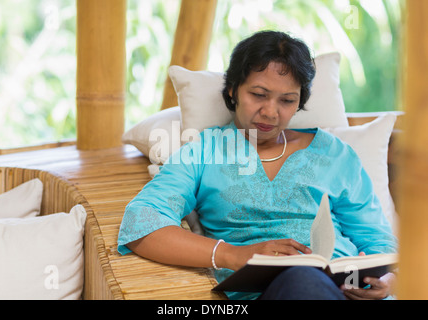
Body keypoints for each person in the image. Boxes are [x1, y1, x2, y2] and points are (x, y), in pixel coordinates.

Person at [117, 30, 398, 300]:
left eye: (287, 100)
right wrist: (233, 255)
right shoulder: (205, 152)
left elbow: (379, 242)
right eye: (259, 94)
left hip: (347, 290)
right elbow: (141, 223)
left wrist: (385, 281)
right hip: (267, 292)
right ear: (233, 90)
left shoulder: (335, 153)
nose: (270, 112)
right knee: (302, 280)